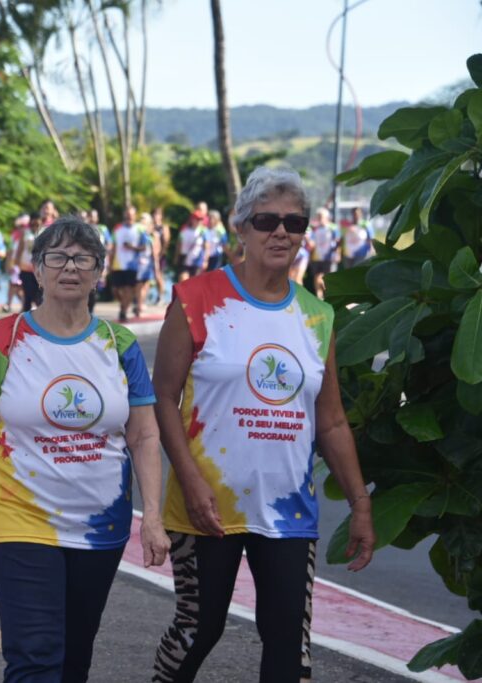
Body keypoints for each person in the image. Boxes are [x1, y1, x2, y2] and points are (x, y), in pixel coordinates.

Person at [150, 166, 375, 683]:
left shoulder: (318, 317)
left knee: (288, 646)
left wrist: (360, 504)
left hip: (288, 510)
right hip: (206, 505)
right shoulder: (196, 299)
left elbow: (333, 421)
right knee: (198, 629)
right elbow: (162, 397)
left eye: (293, 222)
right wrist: (188, 478)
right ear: (241, 227)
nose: (281, 232)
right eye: (267, 220)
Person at [0, 216, 170, 682]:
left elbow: (144, 435)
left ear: (99, 272)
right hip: (21, 517)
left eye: (83, 258)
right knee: (35, 656)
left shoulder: (119, 344)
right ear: (37, 270)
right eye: (58, 257)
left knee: (73, 659)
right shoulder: (5, 338)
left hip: (99, 523)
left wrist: (154, 518)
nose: (71, 267)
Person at [110, 206, 141, 323]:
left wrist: (132, 247)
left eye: (131, 214)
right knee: (115, 291)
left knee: (128, 289)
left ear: (135, 215)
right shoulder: (117, 228)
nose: (129, 216)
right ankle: (124, 305)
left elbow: (145, 246)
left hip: (132, 265)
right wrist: (109, 262)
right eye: (127, 214)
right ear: (124, 215)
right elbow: (113, 246)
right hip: (117, 264)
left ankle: (123, 311)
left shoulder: (140, 229)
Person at [308, 208, 338, 299]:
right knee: (317, 277)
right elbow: (312, 243)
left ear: (326, 217)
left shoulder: (332, 227)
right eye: (318, 216)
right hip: (316, 257)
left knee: (328, 278)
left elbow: (338, 242)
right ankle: (319, 296)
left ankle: (329, 296)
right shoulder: (314, 229)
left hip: (328, 257)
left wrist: (337, 253)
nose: (319, 218)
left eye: (321, 216)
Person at [14, 213, 42, 311]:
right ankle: (26, 316)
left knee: (39, 295)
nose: (35, 224)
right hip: (26, 269)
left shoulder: (44, 233)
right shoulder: (26, 234)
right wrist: (17, 265)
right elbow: (20, 250)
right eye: (33, 222)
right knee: (28, 294)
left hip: (40, 270)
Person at [175, 212, 208, 282]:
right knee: (183, 279)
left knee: (194, 281)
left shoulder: (203, 232)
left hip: (197, 260)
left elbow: (206, 246)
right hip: (185, 258)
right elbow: (179, 243)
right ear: (192, 219)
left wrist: (205, 260)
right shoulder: (184, 230)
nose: (199, 221)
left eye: (200, 220)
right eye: (197, 219)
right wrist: (177, 256)